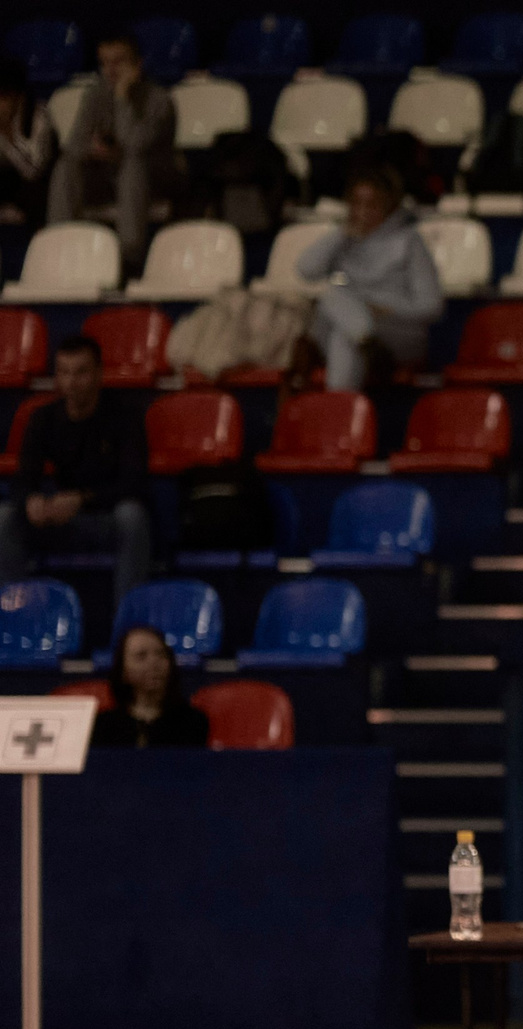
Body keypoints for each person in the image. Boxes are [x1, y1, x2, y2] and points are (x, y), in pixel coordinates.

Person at [0, 336, 153, 606]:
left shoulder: (124, 417)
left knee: (133, 516)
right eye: (64, 372)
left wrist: (81, 499)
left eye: (81, 372)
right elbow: (22, 480)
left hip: (105, 520)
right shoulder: (43, 418)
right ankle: (17, 620)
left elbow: (134, 483)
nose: (71, 382)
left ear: (98, 374)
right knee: (4, 517)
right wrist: (31, 501)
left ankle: (128, 628)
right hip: (60, 522)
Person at [295, 167, 443, 392]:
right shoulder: (344, 239)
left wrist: (382, 308)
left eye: (371, 205)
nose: (362, 212)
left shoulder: (409, 242)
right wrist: (341, 233)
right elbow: (306, 270)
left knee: (342, 331)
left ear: (389, 206)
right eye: (356, 204)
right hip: (359, 330)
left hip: (397, 333)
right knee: (334, 297)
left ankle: (340, 418)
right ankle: (366, 341)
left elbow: (431, 306)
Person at [47, 29, 180, 274]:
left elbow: (134, 144)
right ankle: (57, 243)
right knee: (67, 164)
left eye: (118, 62)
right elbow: (75, 144)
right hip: (108, 175)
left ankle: (128, 258)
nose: (111, 70)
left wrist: (122, 99)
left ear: (137, 64)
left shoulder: (159, 99)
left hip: (153, 177)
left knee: (133, 165)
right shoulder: (95, 94)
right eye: (105, 63)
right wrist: (93, 150)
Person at [91, 626, 208, 749]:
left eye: (161, 654)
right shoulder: (104, 725)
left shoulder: (192, 722)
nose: (154, 663)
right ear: (123, 671)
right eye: (141, 656)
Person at [0, 58, 58, 225]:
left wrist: (6, 135)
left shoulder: (38, 117)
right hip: (8, 182)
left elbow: (33, 172)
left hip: (38, 188)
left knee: (34, 193)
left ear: (17, 95)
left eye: (3, 97)